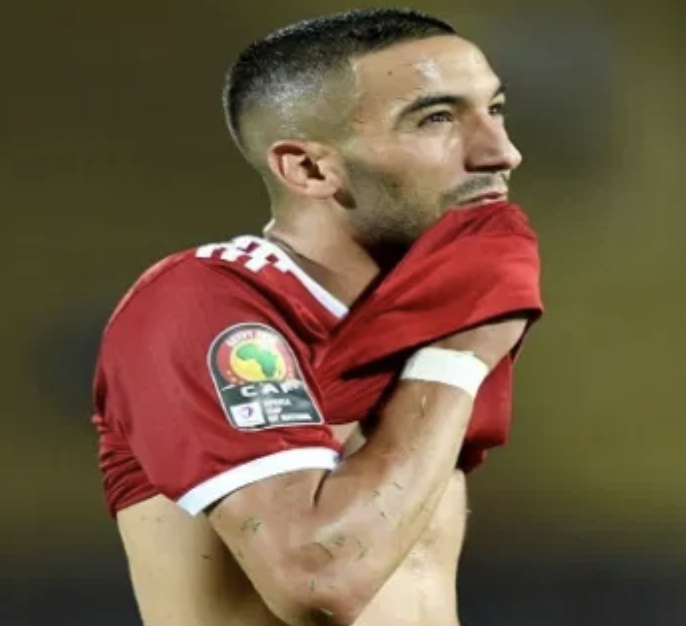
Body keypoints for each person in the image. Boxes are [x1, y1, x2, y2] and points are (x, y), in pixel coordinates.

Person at [92, 8, 533, 626]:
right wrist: (456, 359)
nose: (502, 153)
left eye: (496, 110)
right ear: (309, 168)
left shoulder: (432, 314)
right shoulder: (206, 302)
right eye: (436, 118)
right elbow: (318, 581)